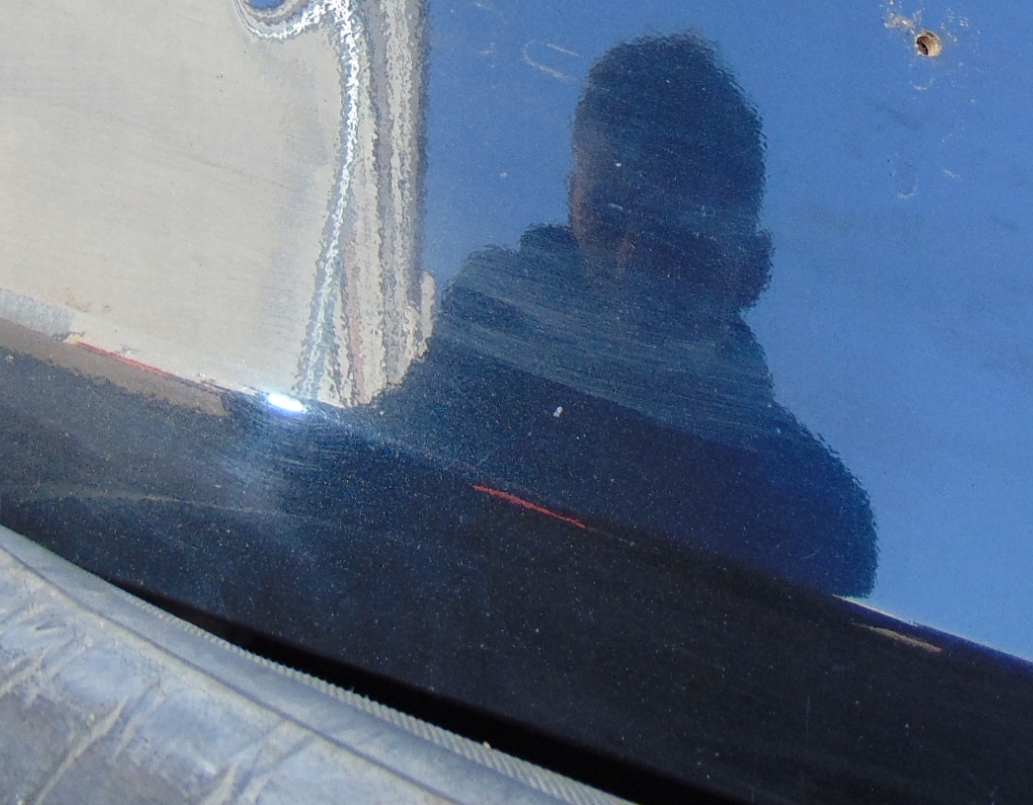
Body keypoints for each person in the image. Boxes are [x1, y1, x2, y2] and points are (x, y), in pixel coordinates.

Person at [360, 32, 876, 597]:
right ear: (573, 208)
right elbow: (348, 484)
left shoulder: (819, 524)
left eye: (681, 237)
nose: (634, 260)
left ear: (752, 269)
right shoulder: (479, 357)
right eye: (609, 214)